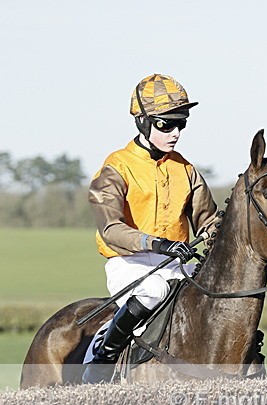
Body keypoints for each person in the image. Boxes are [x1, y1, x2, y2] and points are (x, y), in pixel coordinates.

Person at [82, 73, 218, 383]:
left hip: (177, 263)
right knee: (154, 290)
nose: (175, 133)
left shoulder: (186, 169)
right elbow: (110, 229)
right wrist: (156, 244)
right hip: (129, 263)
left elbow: (208, 222)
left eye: (181, 124)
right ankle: (103, 360)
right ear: (143, 122)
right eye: (166, 125)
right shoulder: (115, 166)